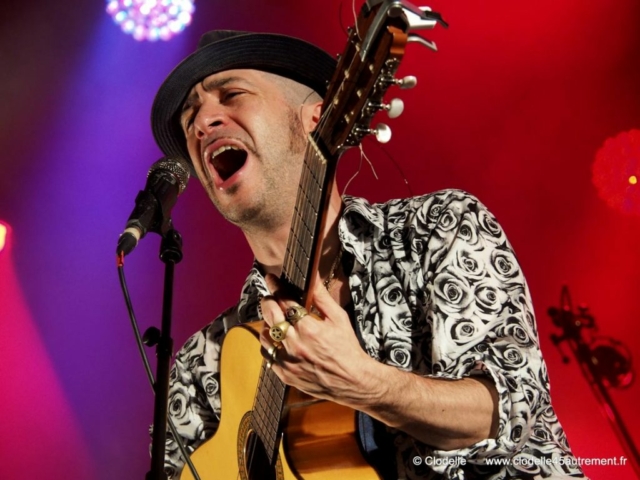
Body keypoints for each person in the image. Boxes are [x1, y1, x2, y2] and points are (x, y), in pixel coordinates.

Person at [150, 30, 586, 480]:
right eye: (191, 120)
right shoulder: (201, 365)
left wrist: (365, 384)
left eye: (232, 95)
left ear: (316, 117)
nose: (203, 123)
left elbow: (510, 409)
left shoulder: (438, 228)